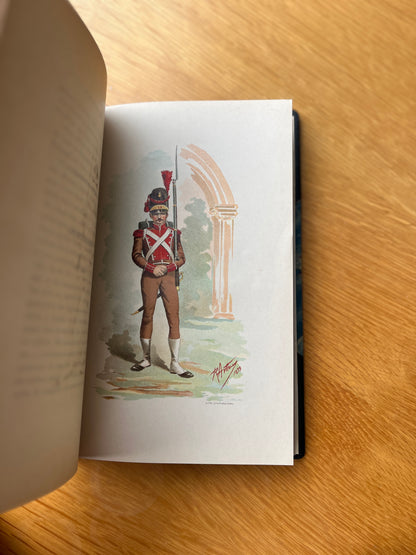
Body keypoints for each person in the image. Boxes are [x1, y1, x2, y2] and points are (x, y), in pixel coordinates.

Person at [131, 187, 193, 378]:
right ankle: (146, 358)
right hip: (150, 277)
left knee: (173, 317)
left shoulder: (174, 233)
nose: (159, 216)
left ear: (167, 214)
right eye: (155, 212)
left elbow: (181, 258)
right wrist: (151, 268)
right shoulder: (142, 233)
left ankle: (175, 363)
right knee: (147, 315)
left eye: (162, 212)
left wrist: (170, 267)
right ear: (150, 214)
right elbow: (136, 255)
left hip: (168, 276)